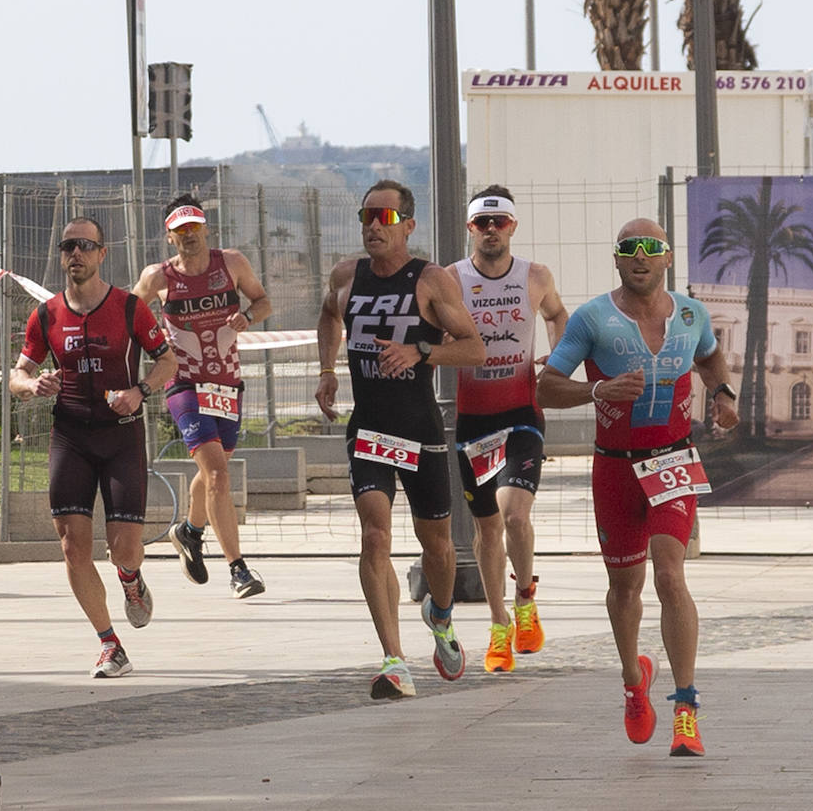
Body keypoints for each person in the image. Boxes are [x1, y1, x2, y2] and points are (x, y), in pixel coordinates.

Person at [537, 218, 740, 757]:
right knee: (626, 588)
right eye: (630, 249)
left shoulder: (691, 313)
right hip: (615, 468)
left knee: (670, 575)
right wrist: (597, 388)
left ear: (667, 258)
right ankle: (634, 680)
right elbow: (547, 388)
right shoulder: (592, 318)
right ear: (618, 260)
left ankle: (687, 708)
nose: (641, 257)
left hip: (672, 461)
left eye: (652, 249)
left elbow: (710, 354)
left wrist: (723, 393)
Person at [314, 180, 487, 701]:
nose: (373, 226)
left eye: (385, 218)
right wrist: (326, 370)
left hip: (419, 428)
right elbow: (327, 314)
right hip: (368, 426)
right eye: (367, 215)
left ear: (408, 226)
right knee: (374, 536)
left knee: (436, 545)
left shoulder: (431, 282)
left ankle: (440, 614)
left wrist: (421, 353)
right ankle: (393, 660)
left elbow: (475, 348)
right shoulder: (347, 275)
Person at [10, 217, 176, 678]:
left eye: (85, 246)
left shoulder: (129, 308)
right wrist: (32, 384)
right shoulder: (46, 315)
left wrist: (141, 390)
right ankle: (110, 644)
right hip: (70, 436)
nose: (75, 254)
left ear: (103, 254)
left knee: (124, 548)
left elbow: (169, 360)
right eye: (67, 247)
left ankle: (130, 577)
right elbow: (16, 375)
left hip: (121, 433)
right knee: (72, 548)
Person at [447, 185, 567, 673]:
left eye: (500, 223)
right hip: (473, 419)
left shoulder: (534, 275)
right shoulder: (451, 279)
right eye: (482, 223)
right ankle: (499, 627)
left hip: (521, 413)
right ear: (470, 228)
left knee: (515, 515)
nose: (491, 231)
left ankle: (524, 599)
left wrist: (557, 360)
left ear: (513, 226)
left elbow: (558, 315)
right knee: (486, 529)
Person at [133, 194, 272, 599]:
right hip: (184, 383)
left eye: (194, 227)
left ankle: (190, 531)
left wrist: (248, 315)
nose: (189, 235)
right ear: (170, 236)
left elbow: (263, 301)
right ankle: (239, 570)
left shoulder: (231, 263)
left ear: (206, 228)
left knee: (215, 471)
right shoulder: (157, 278)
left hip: (226, 382)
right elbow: (128, 314)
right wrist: (154, 344)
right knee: (217, 474)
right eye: (180, 230)